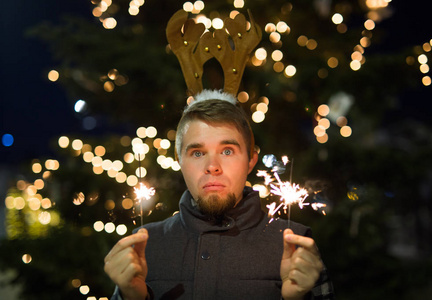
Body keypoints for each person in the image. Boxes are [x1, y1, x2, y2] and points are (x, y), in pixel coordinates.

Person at [104, 91, 334, 300]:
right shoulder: (144, 246)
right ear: (179, 160)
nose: (212, 166)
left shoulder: (295, 245)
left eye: (227, 151)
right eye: (197, 152)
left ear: (251, 160)